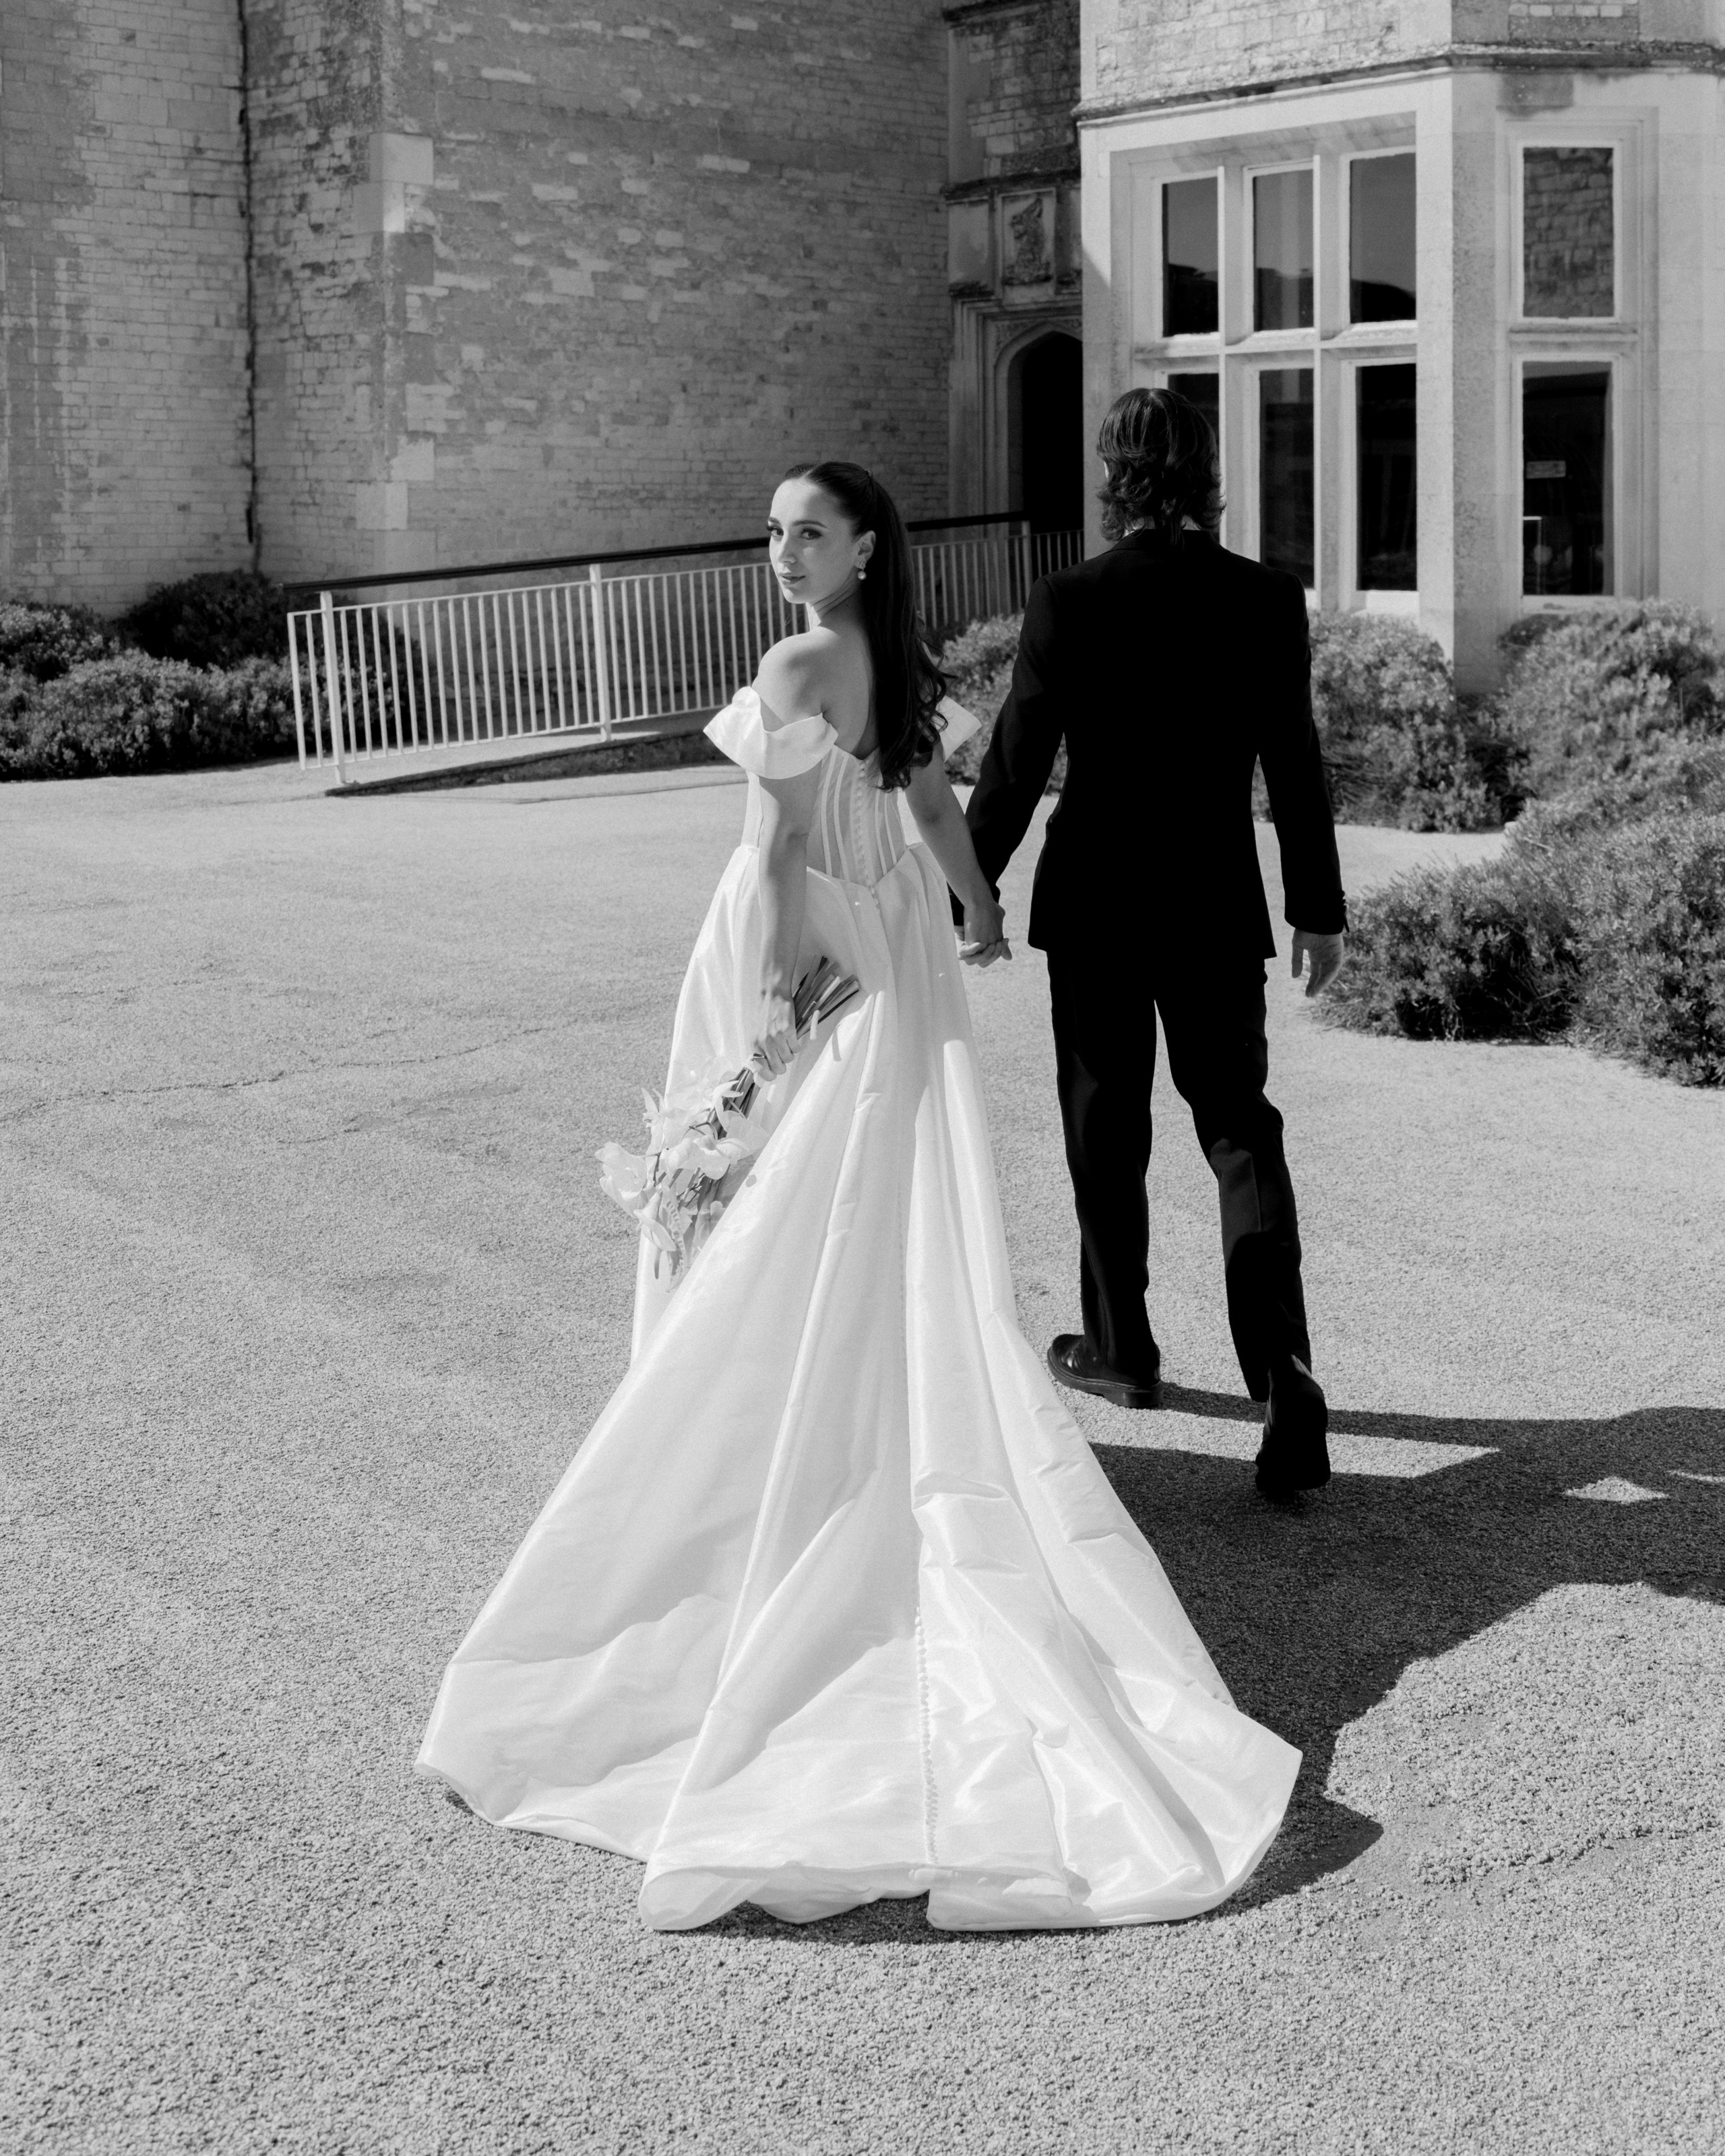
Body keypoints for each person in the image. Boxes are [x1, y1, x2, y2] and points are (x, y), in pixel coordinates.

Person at [416, 459, 1298, 1932]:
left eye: (806, 531)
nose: (780, 552)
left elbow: (770, 853)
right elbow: (933, 803)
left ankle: (747, 1455)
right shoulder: (894, 653)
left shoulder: (795, 658)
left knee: (766, 1202)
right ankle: (859, 1434)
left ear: (863, 542)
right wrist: (974, 909)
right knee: (876, 1215)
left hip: (808, 949)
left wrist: (767, 1012)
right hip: (895, 948)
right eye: (770, 532)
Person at [964, 387, 1346, 1498]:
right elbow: (1296, 765)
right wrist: (1314, 906)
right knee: (1239, 1133)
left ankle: (1122, 1351)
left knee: (1104, 1127)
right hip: (1215, 909)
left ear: (1112, 474)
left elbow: (1017, 769)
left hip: (1096, 907)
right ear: (1208, 469)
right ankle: (1283, 1375)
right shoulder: (1265, 597)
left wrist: (959, 893)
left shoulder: (1069, 598)